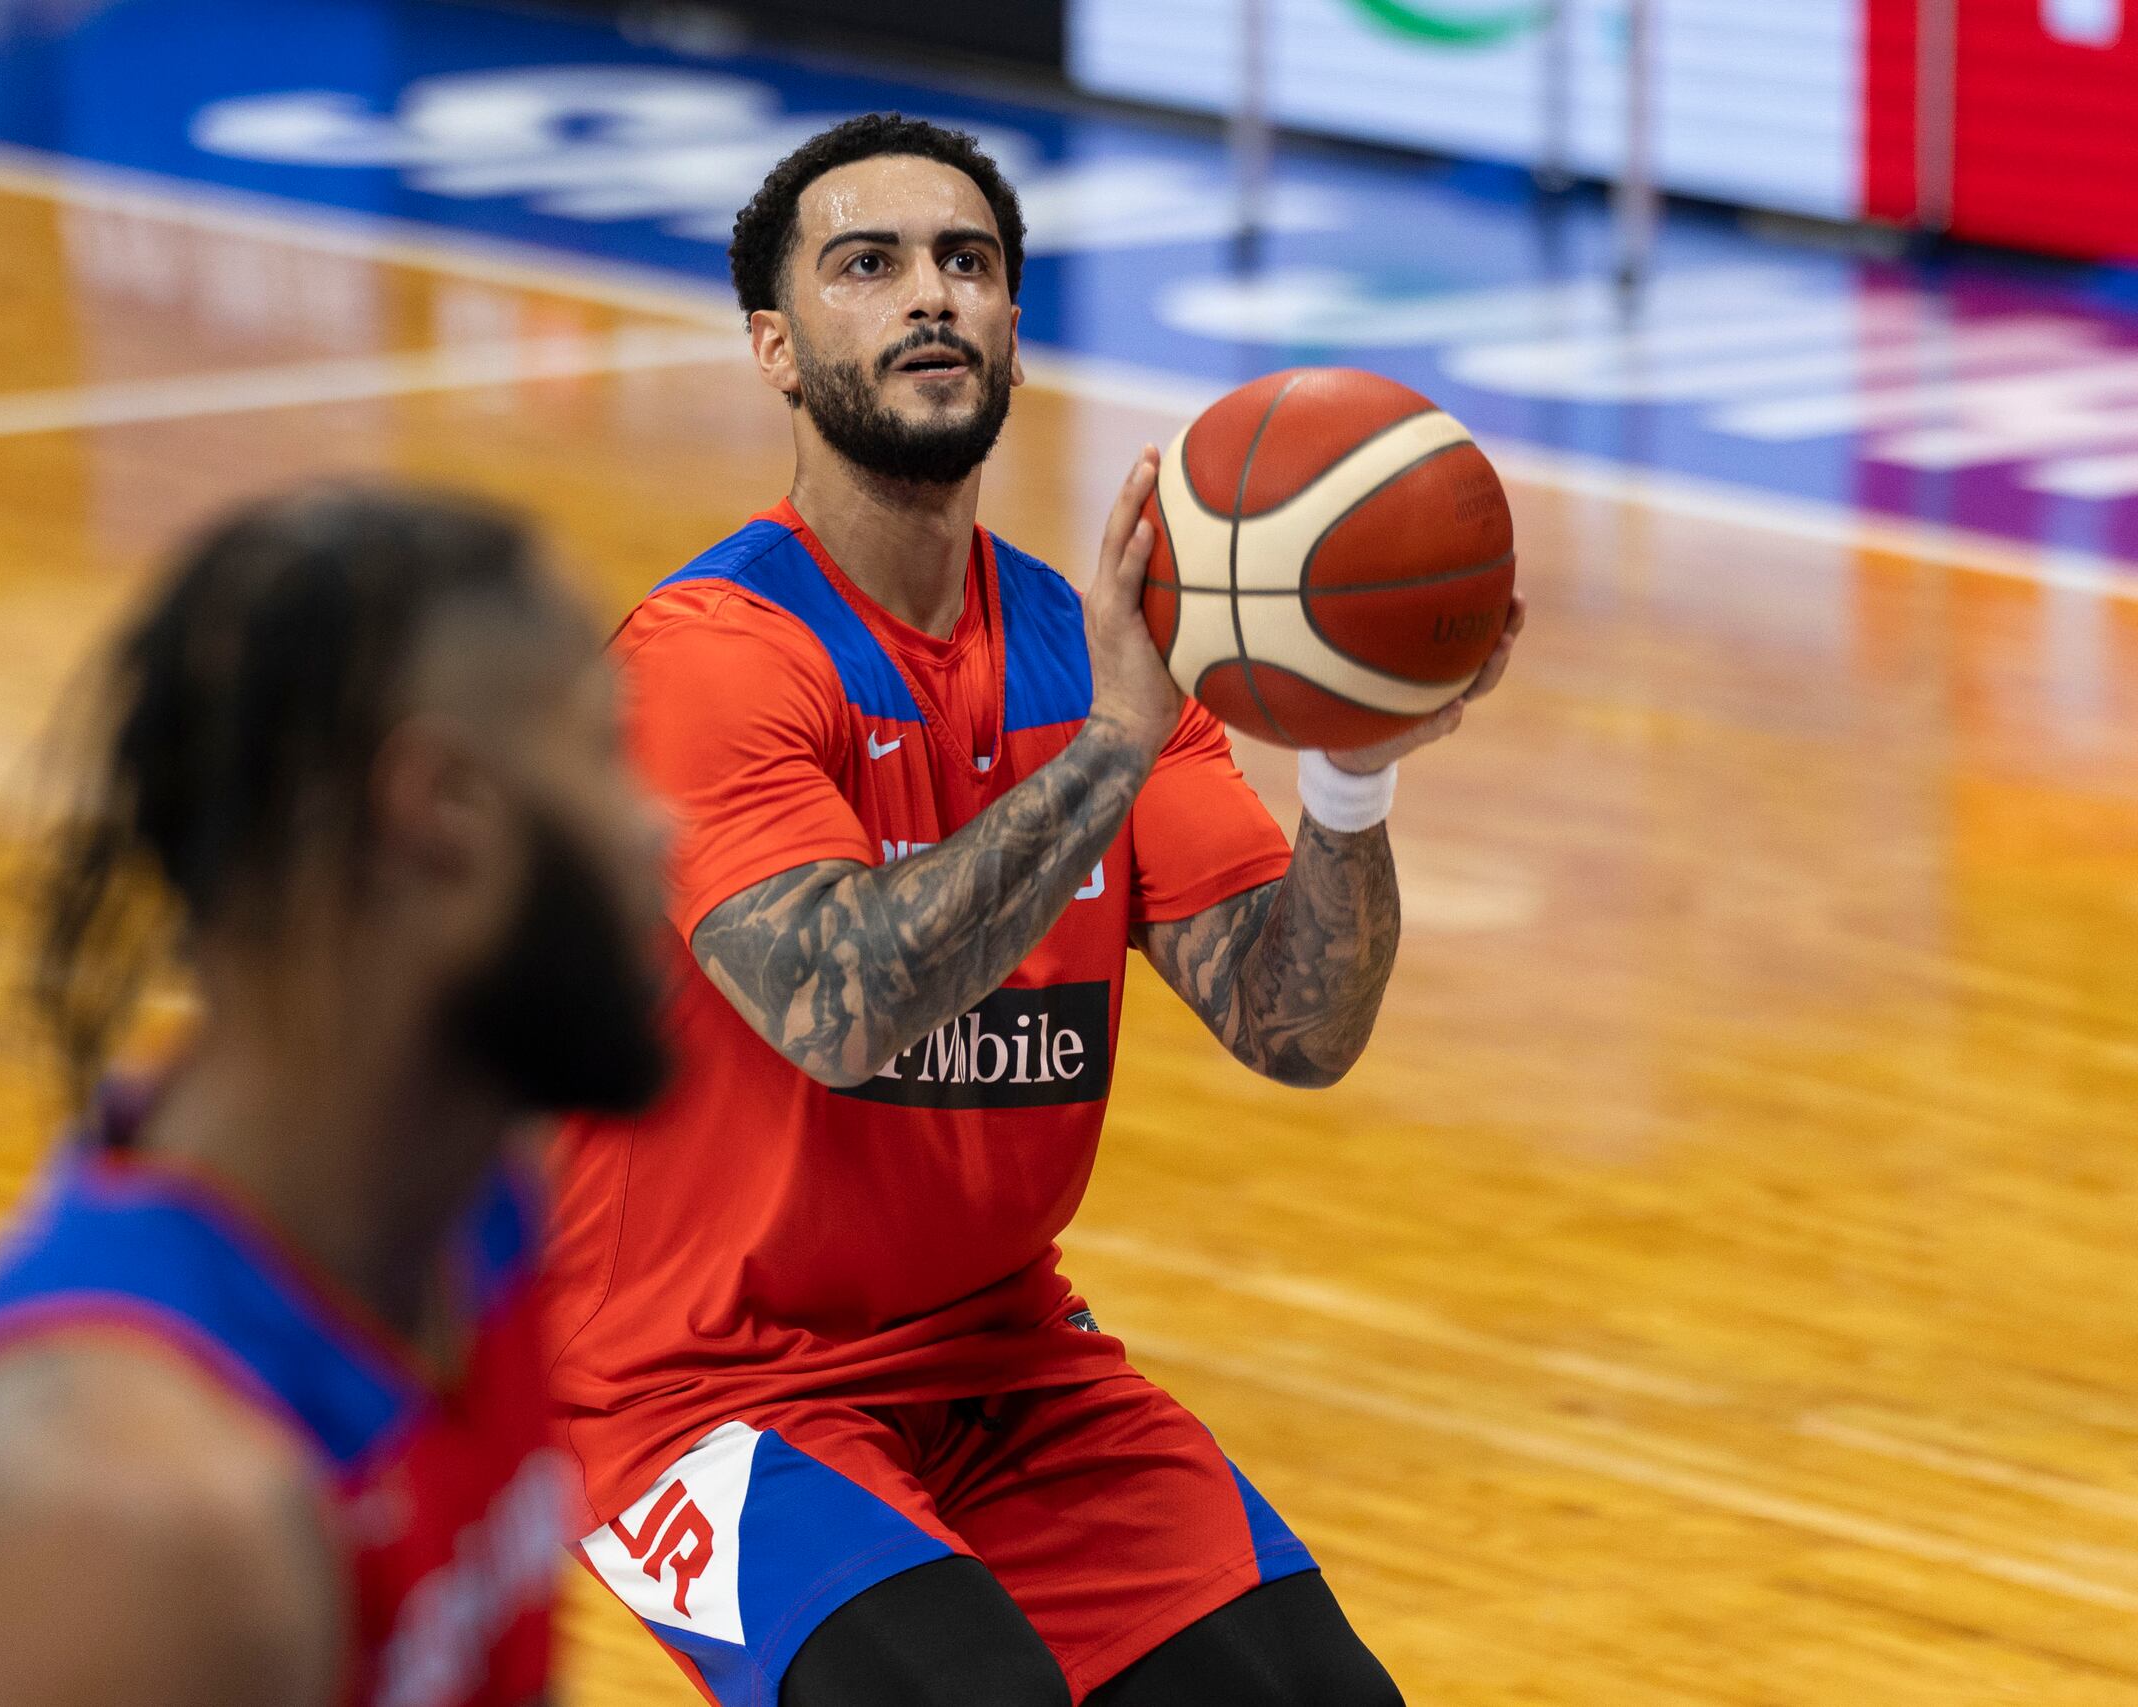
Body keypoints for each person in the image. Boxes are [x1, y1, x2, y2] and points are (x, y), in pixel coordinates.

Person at [544, 115, 1523, 1707]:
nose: (931, 292)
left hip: (1000, 1357)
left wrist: (1351, 776)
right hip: (699, 1390)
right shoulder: (707, 657)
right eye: (869, 264)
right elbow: (839, 1006)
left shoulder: (1092, 654)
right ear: (778, 350)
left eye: (970, 263)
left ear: (1010, 327)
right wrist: (1116, 750)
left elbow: (1295, 1025)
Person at [0, 485, 673, 1707]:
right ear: (441, 814)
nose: (660, 834)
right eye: (604, 754)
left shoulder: (472, 1206)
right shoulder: (134, 1521)